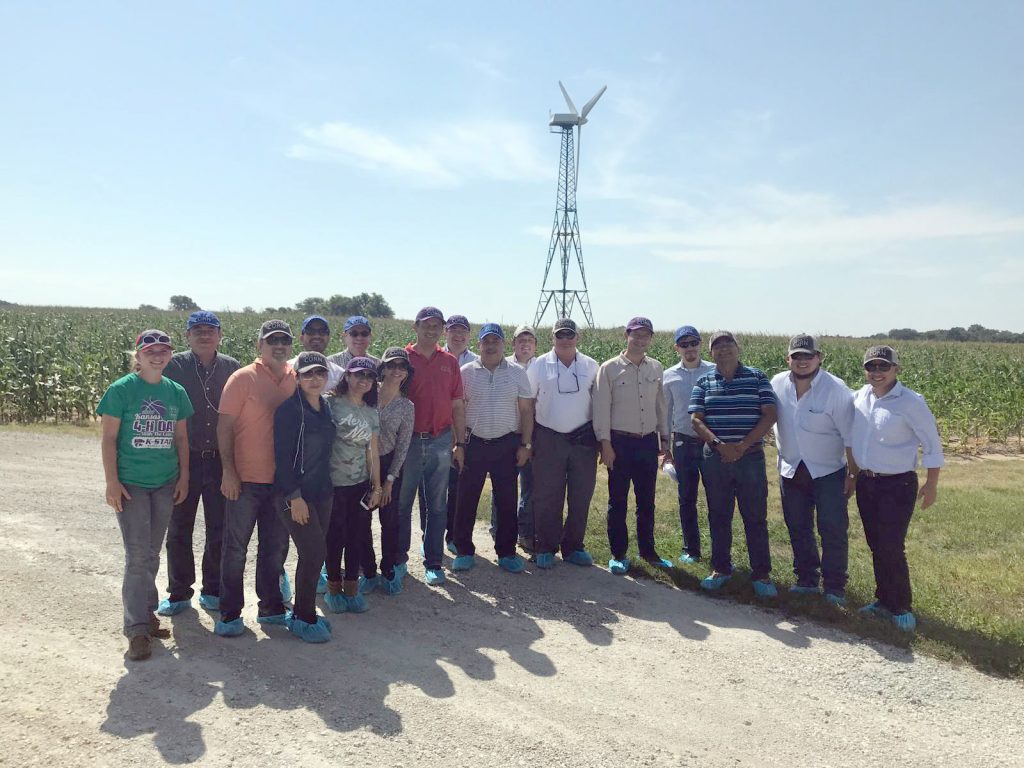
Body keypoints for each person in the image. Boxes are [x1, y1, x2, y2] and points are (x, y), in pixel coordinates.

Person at [97, 329, 193, 661]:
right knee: (137, 556)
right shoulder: (121, 390)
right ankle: (136, 629)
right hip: (132, 484)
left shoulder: (175, 391)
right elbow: (109, 439)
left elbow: (181, 439)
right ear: (137, 355)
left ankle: (147, 614)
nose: (157, 355)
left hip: (165, 482)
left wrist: (184, 477)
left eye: (163, 350)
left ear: (169, 355)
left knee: (151, 553)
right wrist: (112, 482)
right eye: (149, 350)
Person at [848, 345, 944, 632]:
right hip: (867, 481)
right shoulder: (859, 397)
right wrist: (852, 475)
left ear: (896, 369)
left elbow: (932, 444)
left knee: (891, 545)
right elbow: (852, 438)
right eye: (871, 366)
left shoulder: (911, 402)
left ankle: (901, 605)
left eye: (883, 366)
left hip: (897, 483)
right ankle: (882, 600)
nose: (877, 372)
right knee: (876, 543)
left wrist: (932, 483)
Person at [215, 319, 297, 637]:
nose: (279, 346)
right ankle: (230, 613)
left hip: (282, 482)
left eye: (284, 340)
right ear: (259, 345)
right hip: (245, 480)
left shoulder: (297, 378)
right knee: (235, 549)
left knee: (275, 548)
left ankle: (271, 606)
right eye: (272, 340)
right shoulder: (242, 378)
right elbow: (224, 428)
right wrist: (228, 471)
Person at [158, 311, 239, 616]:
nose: (204, 335)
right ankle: (179, 593)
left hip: (220, 460)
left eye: (210, 330)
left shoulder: (232, 368)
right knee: (179, 528)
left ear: (219, 335)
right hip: (184, 460)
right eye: (198, 330)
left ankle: (213, 589)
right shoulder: (173, 365)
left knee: (219, 527)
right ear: (187, 335)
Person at [689, 331, 779, 598]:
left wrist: (742, 445)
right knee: (718, 515)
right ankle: (720, 568)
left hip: (749, 457)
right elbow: (696, 419)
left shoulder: (757, 377)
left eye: (728, 345)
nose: (724, 350)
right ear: (711, 353)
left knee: (755, 517)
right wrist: (719, 445)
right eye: (717, 346)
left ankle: (761, 575)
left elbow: (770, 414)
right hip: (715, 458)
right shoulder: (704, 381)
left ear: (737, 349)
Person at [770, 334, 855, 605]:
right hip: (791, 468)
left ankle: (834, 587)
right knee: (798, 525)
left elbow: (850, 436)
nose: (802, 361)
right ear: (788, 359)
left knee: (832, 528)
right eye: (797, 356)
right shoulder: (777, 383)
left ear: (819, 357)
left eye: (808, 356)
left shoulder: (836, 389)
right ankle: (806, 579)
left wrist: (853, 474)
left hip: (828, 471)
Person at [450, 323, 534, 574]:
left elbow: (527, 410)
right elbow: (457, 411)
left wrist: (526, 444)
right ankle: (464, 550)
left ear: (503, 344)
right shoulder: (465, 372)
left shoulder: (518, 373)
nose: (490, 345)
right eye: (486, 341)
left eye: (495, 341)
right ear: (479, 345)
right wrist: (459, 444)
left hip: (506, 443)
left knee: (507, 500)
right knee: (466, 499)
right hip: (473, 443)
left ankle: (506, 552)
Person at [592, 316, 672, 574]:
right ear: (626, 335)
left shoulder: (656, 368)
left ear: (651, 338)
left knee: (646, 501)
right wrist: (605, 443)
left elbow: (660, 406)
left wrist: (664, 440)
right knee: (618, 501)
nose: (640, 340)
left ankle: (649, 551)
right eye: (635, 335)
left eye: (645, 335)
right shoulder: (609, 368)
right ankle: (618, 554)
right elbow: (601, 408)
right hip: (619, 442)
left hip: (647, 441)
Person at [397, 307, 466, 587]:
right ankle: (398, 559)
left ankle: (434, 562)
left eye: (437, 326)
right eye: (426, 325)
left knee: (438, 505)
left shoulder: (449, 362)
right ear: (415, 327)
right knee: (402, 505)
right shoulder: (402, 359)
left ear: (442, 330)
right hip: (409, 441)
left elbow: (457, 405)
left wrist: (460, 442)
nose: (431, 330)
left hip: (440, 439)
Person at [273, 351, 336, 643]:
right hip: (295, 495)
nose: (315, 379)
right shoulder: (289, 411)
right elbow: (282, 459)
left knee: (312, 554)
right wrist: (294, 496)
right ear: (297, 377)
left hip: (322, 492)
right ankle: (303, 617)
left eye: (320, 373)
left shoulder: (325, 407)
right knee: (314, 553)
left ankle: (303, 609)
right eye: (308, 373)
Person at [527, 318, 600, 569]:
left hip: (583, 439)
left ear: (577, 337)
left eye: (570, 334)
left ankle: (574, 546)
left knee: (581, 495)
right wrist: (527, 440)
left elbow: (600, 404)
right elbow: (527, 404)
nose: (565, 339)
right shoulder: (538, 365)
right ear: (552, 338)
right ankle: (546, 546)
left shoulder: (591, 365)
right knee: (547, 495)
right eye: (560, 335)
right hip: (548, 436)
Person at [324, 357, 382, 613]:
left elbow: (373, 451)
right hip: (332, 484)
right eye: (359, 375)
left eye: (369, 377)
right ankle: (333, 589)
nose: (363, 381)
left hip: (359, 484)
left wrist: (377, 486)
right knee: (334, 536)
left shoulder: (371, 412)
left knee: (357, 536)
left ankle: (352, 589)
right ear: (347, 376)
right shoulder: (330, 404)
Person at [360, 347, 415, 596]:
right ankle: (368, 571)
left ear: (406, 372)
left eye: (401, 366)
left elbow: (403, 446)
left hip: (389, 462)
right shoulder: (367, 394)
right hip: (362, 464)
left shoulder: (406, 406)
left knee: (389, 520)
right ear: (382, 368)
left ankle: (389, 569)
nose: (396, 370)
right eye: (391, 365)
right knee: (362, 518)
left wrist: (390, 479)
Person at [661, 325, 714, 565]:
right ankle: (691, 549)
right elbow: (666, 412)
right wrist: (665, 448)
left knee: (717, 498)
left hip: (712, 443)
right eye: (684, 344)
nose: (689, 348)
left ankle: (720, 551)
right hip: (683, 440)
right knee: (686, 498)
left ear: (700, 345)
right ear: (677, 348)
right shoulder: (670, 375)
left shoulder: (715, 371)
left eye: (693, 343)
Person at [435, 314, 478, 553]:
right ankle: (429, 538)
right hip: (439, 431)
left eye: (463, 331)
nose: (458, 335)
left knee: (458, 488)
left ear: (469, 335)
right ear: (445, 333)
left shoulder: (478, 362)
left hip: (465, 434)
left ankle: (453, 535)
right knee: (434, 489)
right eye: (453, 330)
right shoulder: (436, 356)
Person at [501, 324, 538, 552]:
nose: (525, 345)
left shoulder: (543, 366)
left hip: (532, 434)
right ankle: (500, 530)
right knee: (503, 487)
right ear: (513, 343)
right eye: (520, 340)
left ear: (535, 345)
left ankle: (525, 533)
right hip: (507, 434)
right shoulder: (503, 364)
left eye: (530, 341)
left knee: (530, 486)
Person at [289, 315, 344, 392]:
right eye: (310, 332)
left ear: (328, 338)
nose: (317, 336)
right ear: (301, 338)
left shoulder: (339, 374)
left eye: (322, 332)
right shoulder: (287, 369)